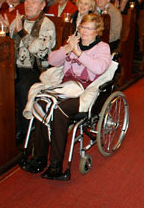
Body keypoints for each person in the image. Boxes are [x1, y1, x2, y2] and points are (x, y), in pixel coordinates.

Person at [20, 14, 111, 180]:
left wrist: (79, 53)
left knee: (58, 110)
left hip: (85, 89)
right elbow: (52, 60)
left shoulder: (102, 48)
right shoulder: (73, 43)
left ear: (97, 31)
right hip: (64, 86)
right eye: (83, 27)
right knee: (41, 102)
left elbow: (99, 68)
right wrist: (68, 49)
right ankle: (39, 157)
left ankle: (55, 165)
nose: (84, 31)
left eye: (89, 28)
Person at [8, 0, 56, 143]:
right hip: (14, 66)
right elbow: (9, 45)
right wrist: (3, 33)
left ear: (42, 5)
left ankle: (24, 128)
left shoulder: (47, 25)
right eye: (27, 1)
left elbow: (40, 52)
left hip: (36, 69)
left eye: (33, 2)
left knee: (23, 87)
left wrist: (21, 32)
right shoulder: (18, 19)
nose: (28, 5)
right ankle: (4, 127)